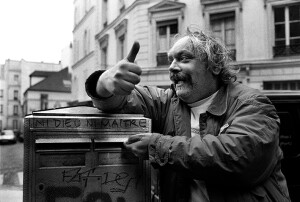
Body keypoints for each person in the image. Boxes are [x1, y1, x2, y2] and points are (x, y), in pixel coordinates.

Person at [85, 29, 290, 202]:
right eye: (171, 60)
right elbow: (119, 103)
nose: (172, 67)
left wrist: (157, 146)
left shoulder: (252, 103)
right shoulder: (166, 103)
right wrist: (104, 83)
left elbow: (239, 158)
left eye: (184, 58)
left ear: (215, 65)